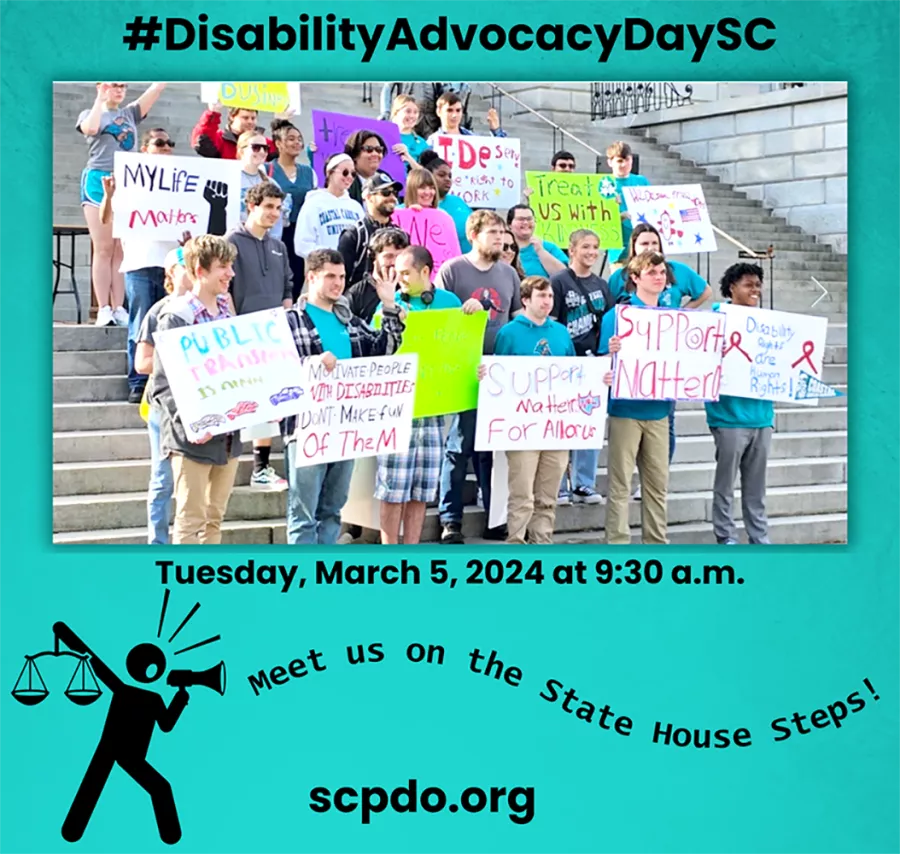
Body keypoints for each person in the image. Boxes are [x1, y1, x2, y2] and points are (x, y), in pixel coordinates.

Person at [280, 249, 405, 545]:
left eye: (342, 277)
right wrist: (311, 364)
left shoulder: (349, 321)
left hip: (345, 426)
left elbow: (384, 350)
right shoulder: (289, 321)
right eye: (330, 277)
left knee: (333, 509)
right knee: (303, 513)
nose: (338, 283)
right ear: (311, 277)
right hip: (305, 427)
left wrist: (389, 305)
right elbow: (277, 373)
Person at [53, 622, 189, 845]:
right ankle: (72, 830)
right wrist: (63, 634)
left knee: (158, 788)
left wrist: (181, 698)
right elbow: (92, 660)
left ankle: (171, 836)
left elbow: (165, 724)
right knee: (98, 786)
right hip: (113, 748)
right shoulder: (129, 691)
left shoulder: (142, 695)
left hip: (128, 753)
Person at [435, 210, 523, 544]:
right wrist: (462, 314)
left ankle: (495, 518)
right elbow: (440, 323)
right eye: (493, 232)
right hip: (465, 371)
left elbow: (515, 321)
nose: (500, 238)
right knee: (459, 446)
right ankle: (451, 519)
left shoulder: (509, 274)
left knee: (493, 449)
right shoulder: (453, 270)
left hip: (500, 373)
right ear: (473, 235)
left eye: (502, 232)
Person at [148, 235, 242, 545]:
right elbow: (163, 385)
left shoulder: (228, 315)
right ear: (200, 271)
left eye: (230, 266)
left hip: (227, 435)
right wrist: (191, 422)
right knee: (190, 521)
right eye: (223, 267)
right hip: (193, 439)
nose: (230, 273)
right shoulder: (176, 317)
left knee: (215, 517)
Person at [372, 245, 463, 544]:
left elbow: (461, 349)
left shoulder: (450, 302)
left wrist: (473, 314)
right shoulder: (390, 302)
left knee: (422, 490)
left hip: (434, 409)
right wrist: (390, 309)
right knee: (393, 489)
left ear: (425, 272)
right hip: (399, 410)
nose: (400, 280)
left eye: (406, 273)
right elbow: (379, 350)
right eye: (396, 274)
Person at [608, 223, 712, 477]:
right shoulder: (618, 277)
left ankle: (656, 475)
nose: (650, 247)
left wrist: (686, 311)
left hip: (667, 358)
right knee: (630, 426)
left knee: (668, 419)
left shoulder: (676, 271)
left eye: (654, 243)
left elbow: (706, 290)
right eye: (644, 243)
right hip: (633, 361)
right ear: (633, 246)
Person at [97, 127, 180, 402]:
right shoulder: (130, 179)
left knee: (171, 323)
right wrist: (109, 194)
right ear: (145, 149)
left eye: (170, 143)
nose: (166, 147)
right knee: (141, 323)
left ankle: (168, 378)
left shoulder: (180, 180)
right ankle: (138, 381)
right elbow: (106, 219)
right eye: (160, 142)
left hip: (172, 265)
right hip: (140, 263)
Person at [76, 81, 166, 328]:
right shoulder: (90, 113)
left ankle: (118, 306)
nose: (118, 90)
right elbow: (91, 128)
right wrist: (99, 98)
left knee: (119, 248)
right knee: (103, 246)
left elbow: (155, 90)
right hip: (99, 179)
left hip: (127, 179)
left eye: (122, 86)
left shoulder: (128, 113)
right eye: (113, 85)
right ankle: (103, 307)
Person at [494, 276, 576, 544]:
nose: (547, 302)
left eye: (550, 296)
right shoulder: (509, 333)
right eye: (541, 296)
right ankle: (516, 545)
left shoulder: (561, 332)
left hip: (555, 426)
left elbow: (575, 372)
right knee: (522, 495)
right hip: (523, 427)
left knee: (548, 495)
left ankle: (543, 545)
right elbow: (499, 375)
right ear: (526, 300)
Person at [599, 251, 671, 545]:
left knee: (657, 485)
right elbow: (602, 362)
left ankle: (657, 544)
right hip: (626, 409)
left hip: (659, 410)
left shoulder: (673, 319)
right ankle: (617, 545)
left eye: (663, 272)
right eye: (652, 272)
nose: (659, 277)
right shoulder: (617, 316)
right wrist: (610, 351)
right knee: (620, 484)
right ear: (635, 277)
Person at [225, 182, 293, 492]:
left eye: (278, 209)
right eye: (268, 206)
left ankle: (261, 467)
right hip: (241, 336)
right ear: (251, 206)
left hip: (272, 336)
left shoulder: (278, 246)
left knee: (267, 403)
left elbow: (287, 287)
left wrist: (286, 317)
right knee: (245, 402)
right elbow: (223, 286)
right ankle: (236, 463)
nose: (274, 214)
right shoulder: (231, 242)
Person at [706, 263, 773, 545]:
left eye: (758, 284)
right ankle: (726, 536)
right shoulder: (715, 318)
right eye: (748, 284)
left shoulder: (770, 324)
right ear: (732, 287)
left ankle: (759, 537)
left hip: (761, 415)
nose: (755, 290)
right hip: (729, 415)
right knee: (725, 484)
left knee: (756, 488)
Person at [549, 228, 614, 506]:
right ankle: (559, 484)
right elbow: (551, 320)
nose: (591, 252)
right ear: (571, 249)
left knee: (590, 423)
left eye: (595, 247)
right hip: (566, 361)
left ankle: (584, 483)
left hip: (594, 362)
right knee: (563, 423)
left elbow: (610, 320)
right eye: (585, 246)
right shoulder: (559, 281)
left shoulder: (602, 285)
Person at [134, 247, 191, 545]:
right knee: (163, 478)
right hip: (163, 408)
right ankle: (157, 545)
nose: (192, 270)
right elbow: (141, 363)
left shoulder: (211, 307)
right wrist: (179, 353)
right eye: (185, 265)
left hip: (196, 404)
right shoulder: (159, 311)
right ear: (171, 272)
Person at [267, 118, 318, 301]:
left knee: (294, 280)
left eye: (299, 138)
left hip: (299, 233)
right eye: (290, 139)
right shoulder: (266, 170)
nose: (297, 142)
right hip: (275, 233)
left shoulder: (308, 172)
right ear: (278, 144)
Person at [338, 173, 402, 290]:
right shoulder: (354, 235)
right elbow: (341, 276)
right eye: (385, 193)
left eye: (395, 193)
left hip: (395, 300)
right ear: (368, 197)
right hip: (359, 303)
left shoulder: (401, 235)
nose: (392, 197)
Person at [293, 154, 365, 258]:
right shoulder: (313, 203)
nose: (349, 177)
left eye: (353, 174)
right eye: (345, 172)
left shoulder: (356, 207)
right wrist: (329, 257)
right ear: (329, 173)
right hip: (324, 269)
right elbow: (302, 245)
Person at [345, 227, 410, 323]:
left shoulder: (412, 288)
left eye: (400, 256)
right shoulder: (356, 295)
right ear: (373, 257)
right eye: (388, 256)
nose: (395, 262)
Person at [606, 141, 650, 270]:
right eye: (619, 161)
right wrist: (619, 216)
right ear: (610, 162)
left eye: (627, 160)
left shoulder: (641, 181)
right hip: (619, 248)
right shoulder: (605, 184)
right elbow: (600, 218)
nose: (624, 164)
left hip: (642, 246)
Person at [421, 150, 473, 253]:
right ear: (428, 176)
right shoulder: (413, 207)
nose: (447, 179)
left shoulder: (458, 202)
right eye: (441, 175)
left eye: (450, 176)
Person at [236, 130, 284, 241]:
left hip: (261, 241)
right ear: (241, 151)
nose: (262, 152)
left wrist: (273, 244)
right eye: (256, 147)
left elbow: (277, 220)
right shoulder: (229, 178)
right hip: (233, 241)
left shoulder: (271, 183)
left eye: (265, 148)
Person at [191, 101, 278, 160]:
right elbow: (200, 141)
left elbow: (283, 149)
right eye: (245, 118)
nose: (250, 122)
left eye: (253, 118)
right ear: (232, 117)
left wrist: (281, 123)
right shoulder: (221, 140)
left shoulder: (264, 143)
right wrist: (213, 113)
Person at [426, 91, 507, 146]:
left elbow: (499, 153)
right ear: (439, 112)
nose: (454, 115)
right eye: (449, 110)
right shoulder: (432, 142)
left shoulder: (472, 137)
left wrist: (496, 130)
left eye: (458, 110)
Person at [507, 204, 568, 277]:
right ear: (509, 224)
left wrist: (540, 251)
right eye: (521, 219)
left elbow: (565, 276)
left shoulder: (549, 248)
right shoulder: (503, 248)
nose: (526, 222)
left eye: (529, 219)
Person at [344, 130, 396, 204]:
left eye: (379, 150)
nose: (375, 154)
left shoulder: (385, 177)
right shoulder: (346, 181)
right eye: (369, 149)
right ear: (354, 154)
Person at [388, 95, 429, 171]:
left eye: (415, 112)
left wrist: (408, 157)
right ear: (396, 112)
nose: (412, 116)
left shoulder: (422, 144)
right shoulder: (384, 135)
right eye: (408, 111)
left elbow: (426, 175)